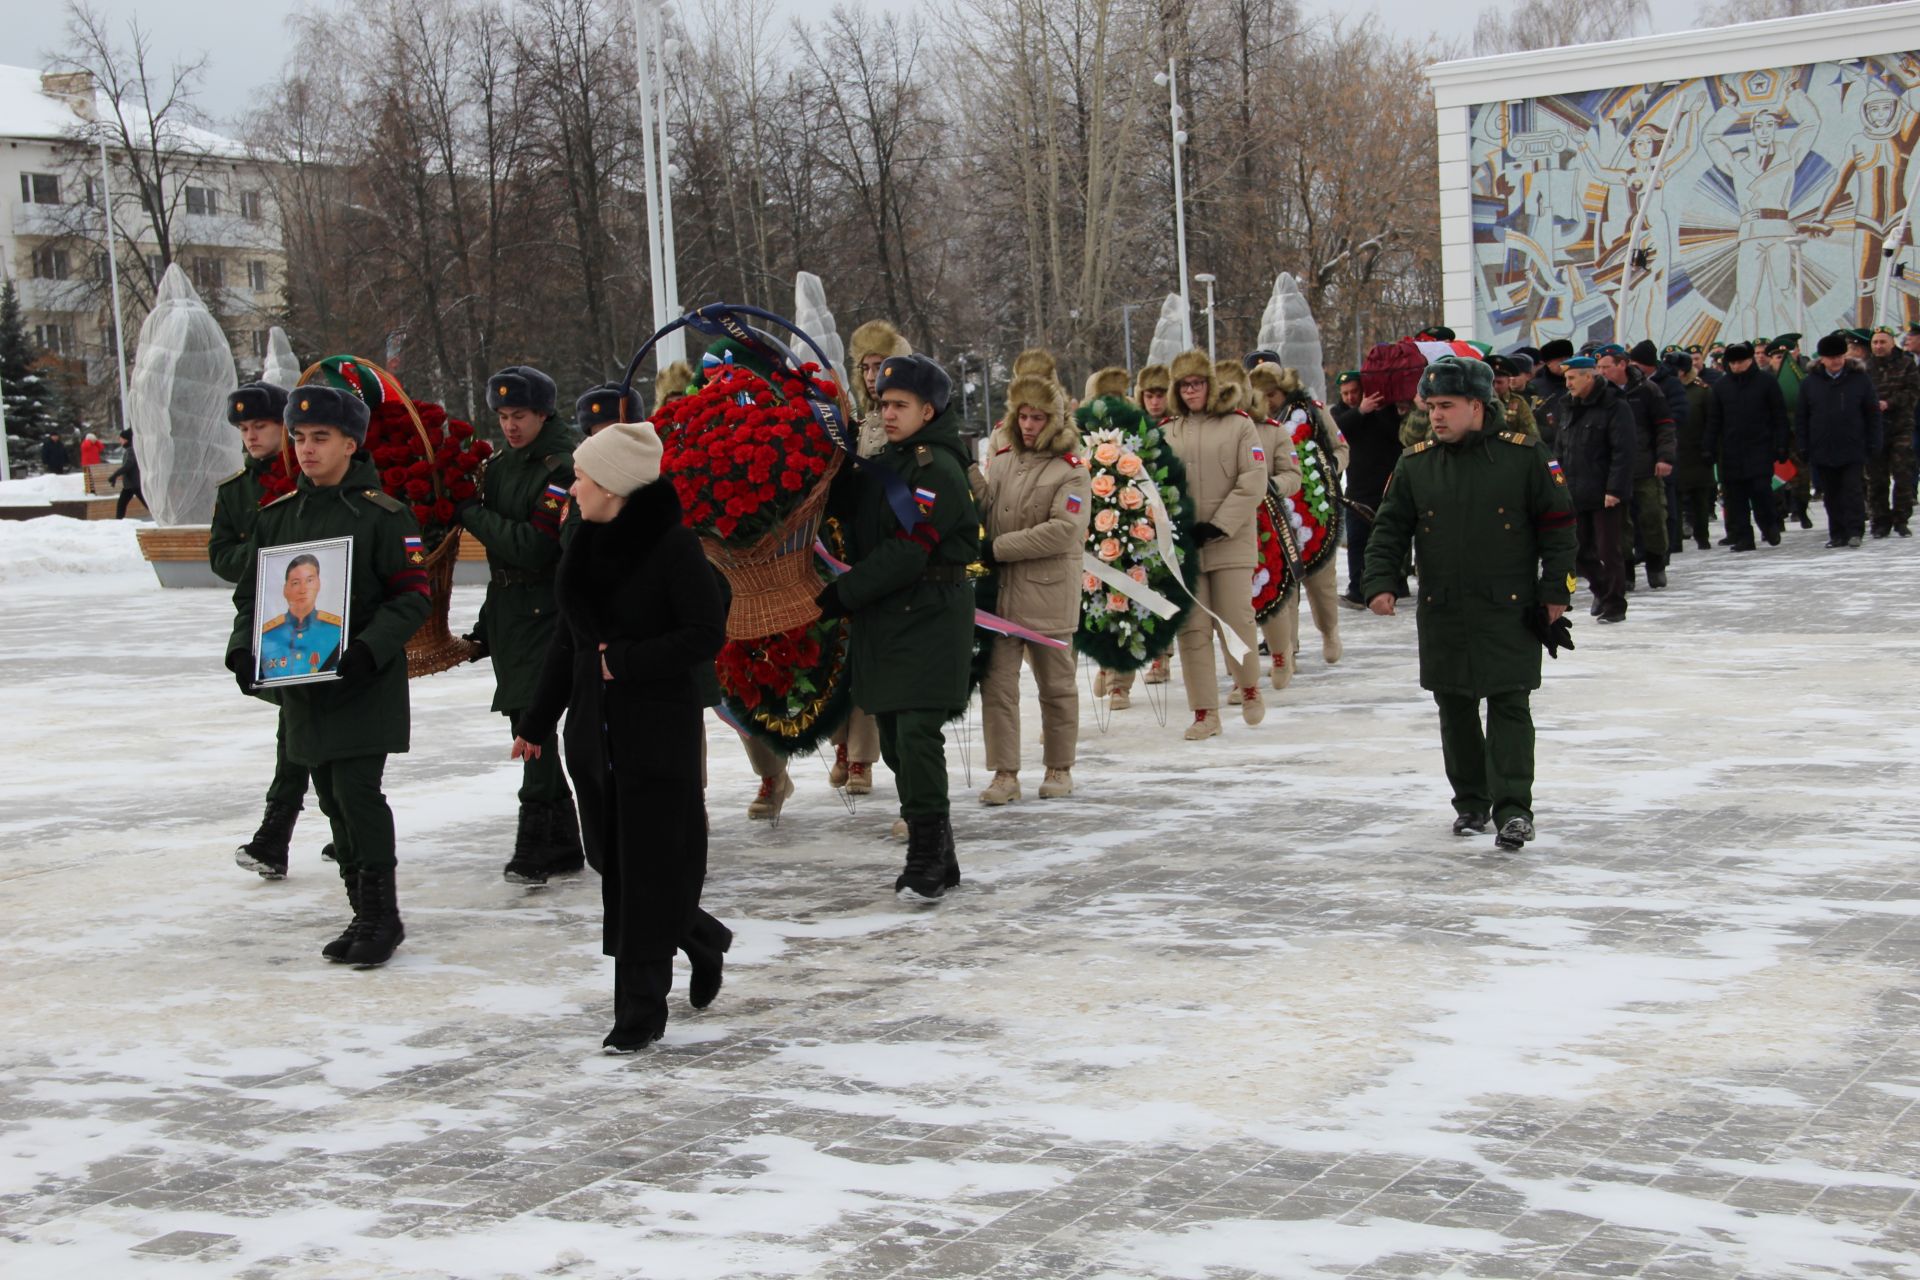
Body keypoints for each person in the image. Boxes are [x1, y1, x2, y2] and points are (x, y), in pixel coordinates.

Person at [514, 422, 729, 1053]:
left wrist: (626, 662)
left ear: (612, 485)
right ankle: (701, 937)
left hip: (655, 734)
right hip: (594, 736)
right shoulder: (582, 541)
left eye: (581, 475)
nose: (572, 486)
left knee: (644, 872)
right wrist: (536, 719)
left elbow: (703, 633)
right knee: (613, 863)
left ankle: (639, 1011)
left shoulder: (673, 547)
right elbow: (568, 639)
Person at [224, 385, 430, 967]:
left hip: (363, 683)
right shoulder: (279, 517)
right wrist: (244, 651)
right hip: (302, 686)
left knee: (358, 795)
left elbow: (411, 597)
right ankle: (360, 911)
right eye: (298, 438)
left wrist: (368, 649)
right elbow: (251, 599)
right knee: (331, 801)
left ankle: (382, 917)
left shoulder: (384, 515)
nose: (306, 449)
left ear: (350, 442)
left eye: (320, 438)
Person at [1361, 356, 1576, 852]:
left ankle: (1515, 810)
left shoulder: (1525, 457)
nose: (1436, 416)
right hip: (1444, 609)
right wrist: (1380, 581)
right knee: (1454, 706)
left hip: (1509, 607)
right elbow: (1390, 529)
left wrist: (1556, 592)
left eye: (1447, 406)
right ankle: (1471, 804)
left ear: (1478, 406)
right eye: (1431, 406)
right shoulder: (1416, 464)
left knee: (1509, 704)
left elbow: (1560, 528)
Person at [816, 353, 979, 900]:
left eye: (899, 405)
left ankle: (926, 854)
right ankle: (941, 854)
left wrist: (839, 596)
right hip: (888, 619)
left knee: (916, 735)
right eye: (882, 404)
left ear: (928, 410)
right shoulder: (893, 462)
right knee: (893, 740)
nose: (886, 414)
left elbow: (908, 553)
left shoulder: (938, 469)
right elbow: (852, 514)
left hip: (929, 615)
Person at [458, 366, 585, 887]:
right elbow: (502, 564)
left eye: (521, 416)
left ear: (544, 414)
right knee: (524, 720)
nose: (510, 426)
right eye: (503, 417)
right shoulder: (501, 465)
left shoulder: (561, 466)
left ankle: (537, 837)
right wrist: (486, 628)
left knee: (533, 723)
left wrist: (471, 514)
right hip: (511, 611)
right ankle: (559, 840)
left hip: (548, 610)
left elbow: (535, 547)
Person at [210, 381, 311, 879]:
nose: (251, 436)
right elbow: (221, 555)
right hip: (266, 616)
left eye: (261, 426)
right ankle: (339, 827)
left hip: (314, 615)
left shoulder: (308, 475)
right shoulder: (235, 492)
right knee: (300, 720)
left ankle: (276, 833)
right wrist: (266, 558)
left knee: (298, 722)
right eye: (245, 428)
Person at [978, 375, 1092, 805]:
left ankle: (1059, 767)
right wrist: (970, 475)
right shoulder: (1004, 459)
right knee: (998, 686)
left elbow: (1064, 530)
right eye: (1022, 416)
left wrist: (999, 548)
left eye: (1037, 417)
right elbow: (989, 508)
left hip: (1048, 594)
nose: (1028, 425)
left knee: (1057, 686)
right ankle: (1004, 774)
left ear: (1054, 419)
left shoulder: (1071, 470)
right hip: (1003, 596)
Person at [1163, 349, 1267, 740]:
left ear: (1211, 384)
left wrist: (1220, 524)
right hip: (1186, 548)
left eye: (1197, 383)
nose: (1191, 391)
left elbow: (1253, 479)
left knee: (1236, 619)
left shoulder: (1239, 426)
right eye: (1184, 385)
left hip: (1231, 542)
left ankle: (1249, 686)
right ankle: (1204, 712)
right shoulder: (1168, 431)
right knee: (1192, 629)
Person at [1248, 362, 1337, 686]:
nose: (1268, 400)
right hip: (1271, 513)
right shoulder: (1250, 424)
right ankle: (1288, 650)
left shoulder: (1311, 412)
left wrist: (1325, 475)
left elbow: (1339, 448)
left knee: (1321, 585)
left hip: (1312, 510)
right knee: (1281, 585)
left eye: (1272, 394)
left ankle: (1329, 630)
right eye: (1262, 395)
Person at [1098, 363, 1175, 707]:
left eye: (1161, 393)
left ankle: (1159, 655)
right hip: (1116, 522)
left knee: (1156, 593)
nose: (1155, 400)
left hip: (1159, 522)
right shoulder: (1102, 432)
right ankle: (1117, 680)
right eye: (1149, 394)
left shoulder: (1167, 428)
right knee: (1117, 597)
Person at [1557, 357, 1635, 623]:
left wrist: (1615, 489)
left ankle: (1615, 604)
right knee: (1577, 551)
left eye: (1572, 378)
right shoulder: (1568, 406)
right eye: (1566, 379)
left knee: (1608, 551)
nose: (1567, 384)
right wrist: (1557, 486)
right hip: (1575, 492)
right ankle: (1602, 590)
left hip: (1605, 494)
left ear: (1588, 377)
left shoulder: (1614, 406)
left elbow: (1623, 452)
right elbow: (1560, 451)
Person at [1596, 344, 1675, 588]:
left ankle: (1656, 563)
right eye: (1598, 367)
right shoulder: (1599, 394)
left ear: (1622, 364)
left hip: (1646, 465)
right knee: (1619, 524)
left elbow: (1664, 425)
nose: (1601, 372)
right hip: (1613, 469)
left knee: (1653, 515)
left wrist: (1664, 457)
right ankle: (1625, 571)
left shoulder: (1647, 390)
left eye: (1606, 367)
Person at [1798, 332, 1883, 548]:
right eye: (1830, 357)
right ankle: (1837, 533)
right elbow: (1802, 417)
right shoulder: (1810, 383)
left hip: (1852, 445)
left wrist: (1874, 441)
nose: (1835, 361)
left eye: (1839, 356)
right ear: (1822, 358)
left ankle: (1855, 531)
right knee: (1831, 494)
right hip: (1822, 447)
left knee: (1852, 490)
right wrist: (1804, 445)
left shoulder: (1859, 379)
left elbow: (1872, 413)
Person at [1703, 343, 1789, 552]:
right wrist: (1709, 447)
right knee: (1735, 498)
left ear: (1750, 360)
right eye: (1732, 362)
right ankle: (1744, 537)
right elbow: (1713, 421)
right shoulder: (1721, 387)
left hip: (1760, 447)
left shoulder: (1766, 382)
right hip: (1731, 451)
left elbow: (1779, 416)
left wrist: (1781, 444)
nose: (1737, 366)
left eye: (1740, 361)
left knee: (1761, 491)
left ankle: (1769, 525)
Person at [1333, 370, 1406, 608]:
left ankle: (1397, 582)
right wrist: (1360, 412)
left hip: (1386, 486)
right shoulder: (1341, 413)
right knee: (1357, 542)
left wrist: (1375, 411)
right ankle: (1357, 587)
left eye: (1354, 392)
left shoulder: (1384, 409)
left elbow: (1395, 434)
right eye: (1345, 393)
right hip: (1357, 490)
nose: (1350, 397)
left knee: (1388, 540)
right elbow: (1337, 431)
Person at [1864, 327, 1919, 537]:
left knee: (1903, 473)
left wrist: (1889, 403)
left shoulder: (1906, 364)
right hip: (1875, 430)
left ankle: (1901, 518)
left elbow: (1913, 392)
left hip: (1901, 427)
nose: (1878, 346)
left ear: (1891, 343)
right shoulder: (1865, 368)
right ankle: (1880, 521)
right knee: (1876, 478)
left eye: (1882, 342)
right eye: (1875, 342)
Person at [1669, 353, 1720, 552]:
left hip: (1697, 451)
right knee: (1675, 499)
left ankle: (1702, 536)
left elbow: (1712, 421)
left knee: (1700, 498)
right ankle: (1675, 540)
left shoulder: (1702, 391)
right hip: (1674, 452)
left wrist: (1709, 447)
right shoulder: (1667, 390)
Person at [109, 429, 142, 519]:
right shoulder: (130, 449)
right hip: (130, 484)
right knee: (121, 504)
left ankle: (162, 518)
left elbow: (128, 465)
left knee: (147, 503)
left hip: (134, 484)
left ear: (126, 439)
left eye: (121, 438)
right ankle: (118, 522)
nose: (120, 440)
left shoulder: (131, 450)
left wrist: (115, 474)